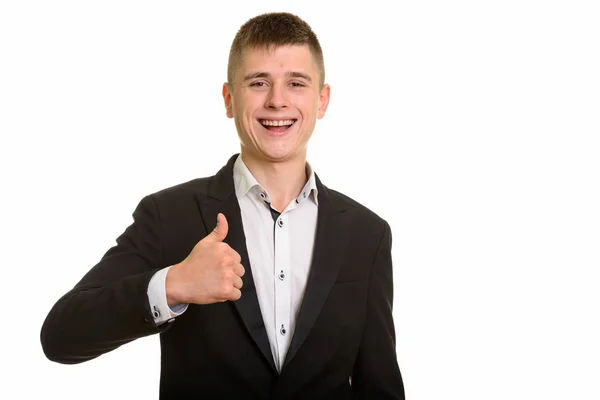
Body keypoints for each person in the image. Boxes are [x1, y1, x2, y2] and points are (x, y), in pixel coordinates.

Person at [41, 12, 405, 399]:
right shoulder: (169, 216)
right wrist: (173, 285)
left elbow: (379, 384)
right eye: (258, 82)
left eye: (296, 83)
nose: (277, 100)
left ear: (322, 100)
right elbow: (61, 336)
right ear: (229, 99)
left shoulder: (367, 234)